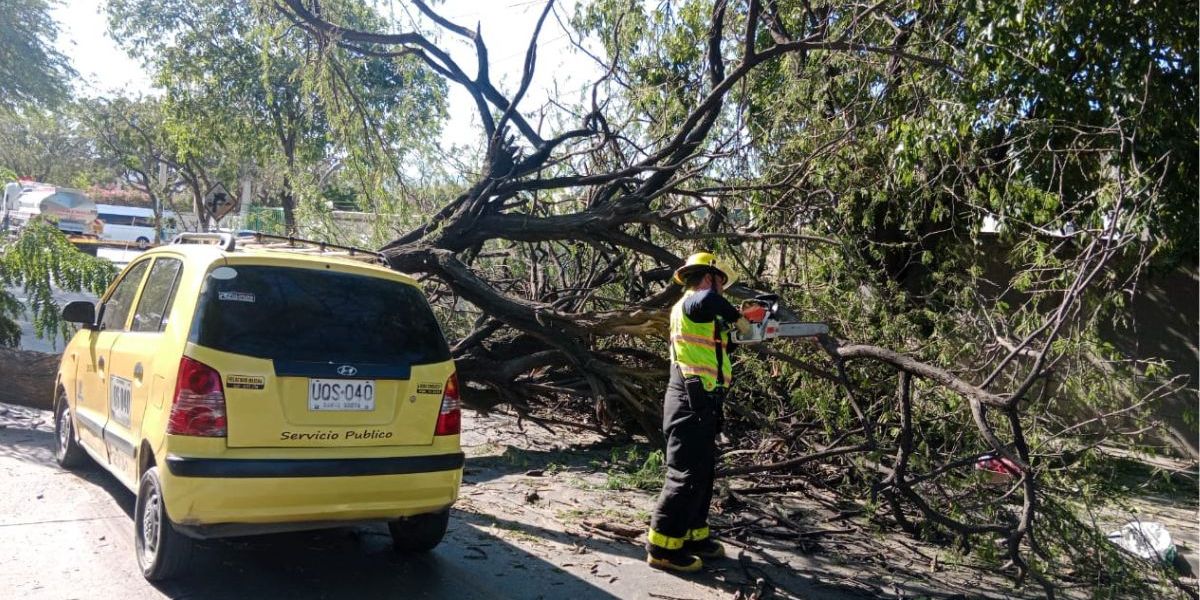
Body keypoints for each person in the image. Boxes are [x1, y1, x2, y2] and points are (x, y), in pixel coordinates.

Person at [646, 252, 753, 573]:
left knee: (703, 473)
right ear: (710, 277)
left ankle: (692, 535)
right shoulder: (694, 301)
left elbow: (721, 346)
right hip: (688, 401)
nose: (723, 290)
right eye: (721, 282)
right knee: (684, 475)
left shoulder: (703, 315)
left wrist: (745, 327)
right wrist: (738, 317)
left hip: (704, 402)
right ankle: (662, 547)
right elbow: (710, 302)